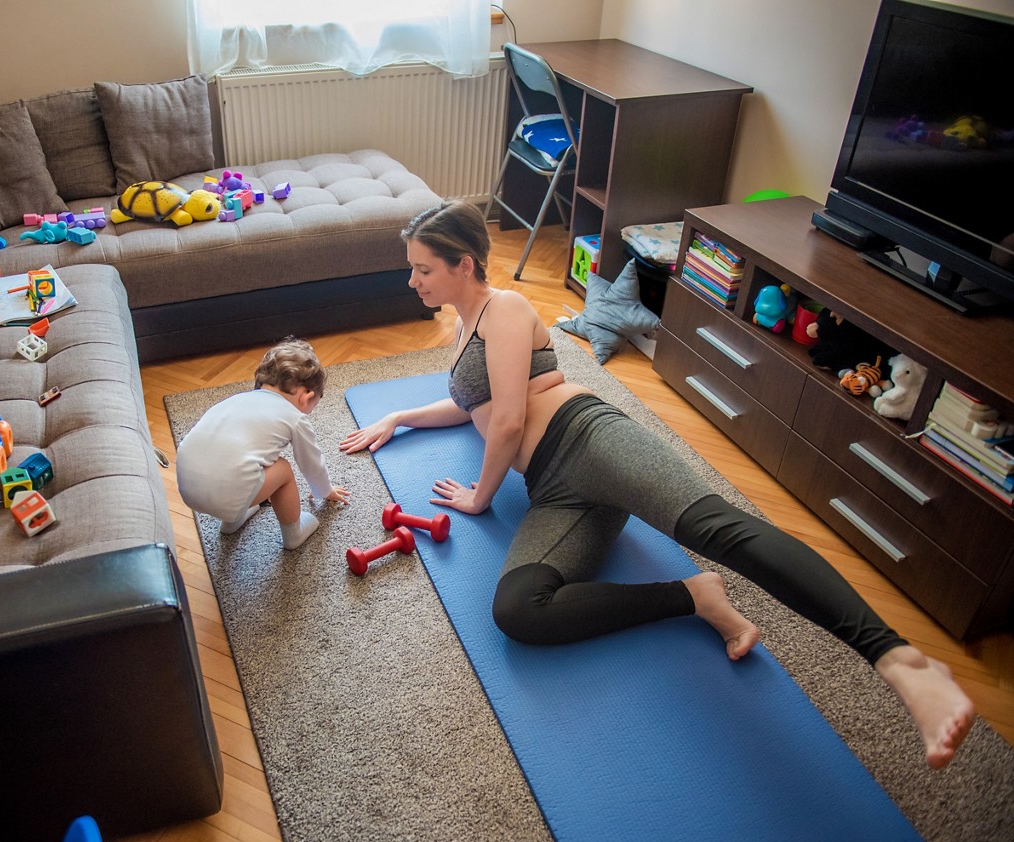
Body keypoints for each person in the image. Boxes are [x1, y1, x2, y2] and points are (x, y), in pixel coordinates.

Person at [339, 200, 976, 770]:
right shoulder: (462, 325)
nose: (414, 280)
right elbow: (473, 404)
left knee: (719, 529)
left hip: (590, 439)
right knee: (518, 611)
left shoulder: (505, 307)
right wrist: (399, 417)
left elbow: (506, 419)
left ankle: (900, 661)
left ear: (466, 263)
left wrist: (480, 496)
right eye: (413, 268)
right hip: (557, 490)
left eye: (423, 268)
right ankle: (693, 596)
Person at [179, 337, 350, 549]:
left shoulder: (237, 400)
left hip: (188, 488)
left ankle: (230, 521)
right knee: (283, 469)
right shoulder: (295, 417)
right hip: (228, 494)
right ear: (307, 397)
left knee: (248, 455)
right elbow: (311, 463)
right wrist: (325, 490)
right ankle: (293, 534)